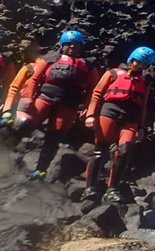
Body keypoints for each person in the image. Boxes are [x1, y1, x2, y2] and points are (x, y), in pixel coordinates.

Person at [10, 30, 99, 181]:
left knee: (53, 138)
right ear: (62, 45)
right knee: (24, 126)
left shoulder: (90, 67)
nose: (72, 47)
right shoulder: (49, 59)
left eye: (76, 45)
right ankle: (8, 156)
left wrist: (88, 109)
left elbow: (93, 91)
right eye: (69, 44)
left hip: (68, 106)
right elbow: (34, 79)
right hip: (45, 99)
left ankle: (40, 171)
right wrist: (28, 98)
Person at [82, 45, 155, 202]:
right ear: (131, 59)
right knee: (100, 150)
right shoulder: (113, 73)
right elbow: (96, 94)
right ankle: (89, 188)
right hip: (109, 112)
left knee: (124, 151)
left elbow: (143, 106)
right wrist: (90, 115)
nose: (138, 65)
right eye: (137, 61)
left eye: (143, 64)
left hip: (131, 119)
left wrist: (141, 128)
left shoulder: (145, 82)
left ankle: (113, 190)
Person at [0, 39, 42, 129]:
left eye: (24, 51)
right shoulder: (17, 64)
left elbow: (10, 86)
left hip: (24, 103)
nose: (22, 53)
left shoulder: (31, 67)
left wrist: (6, 108)